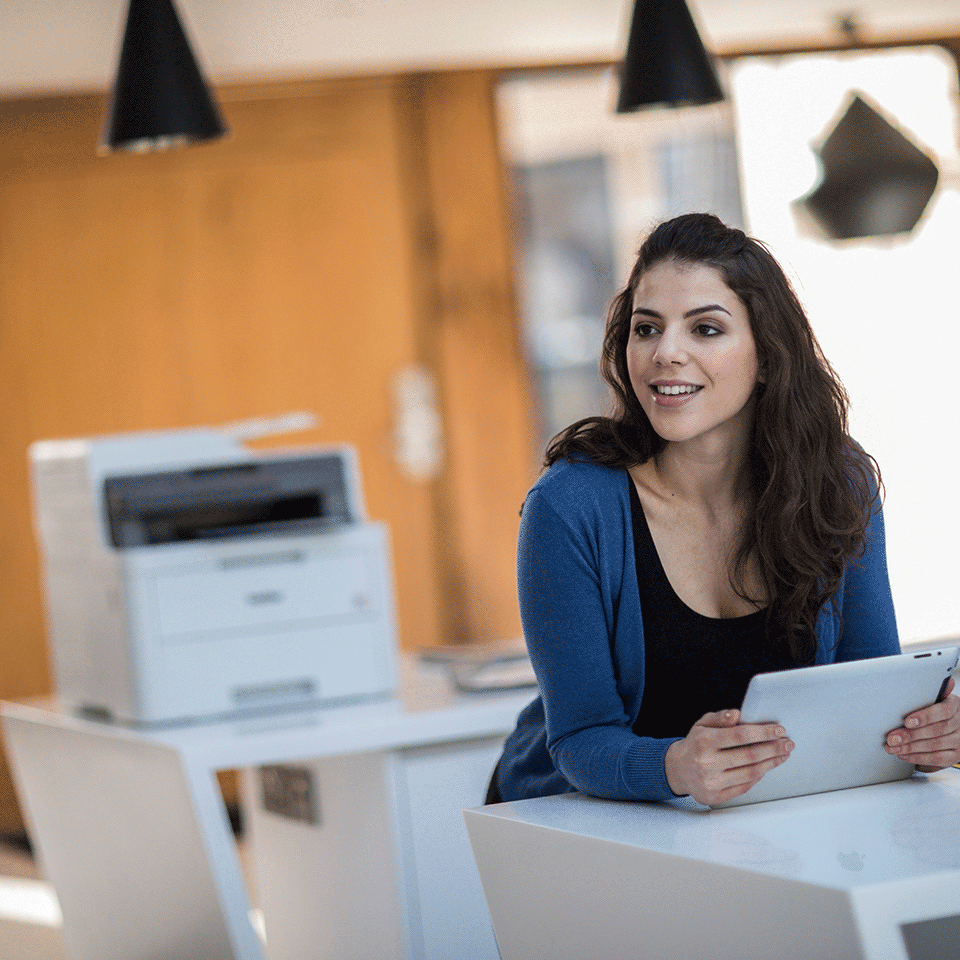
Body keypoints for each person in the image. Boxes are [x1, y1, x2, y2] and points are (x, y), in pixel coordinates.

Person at [488, 212, 960, 808]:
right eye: (647, 328)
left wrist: (926, 737)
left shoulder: (839, 481)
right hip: (574, 820)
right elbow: (581, 738)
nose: (666, 354)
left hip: (752, 823)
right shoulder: (570, 507)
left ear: (767, 354)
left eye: (705, 330)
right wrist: (675, 766)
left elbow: (870, 692)